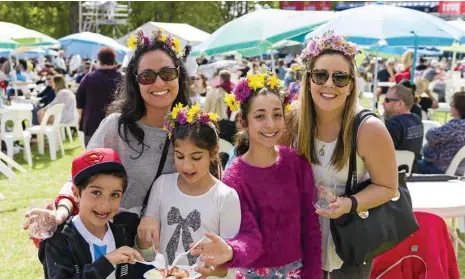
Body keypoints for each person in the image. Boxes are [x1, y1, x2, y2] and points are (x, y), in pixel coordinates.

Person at [23, 28, 192, 244]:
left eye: (167, 73)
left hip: (173, 243)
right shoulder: (117, 128)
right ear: (135, 81)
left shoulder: (191, 129)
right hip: (114, 242)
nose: (159, 83)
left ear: (179, 74)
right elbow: (79, 179)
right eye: (147, 76)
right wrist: (61, 212)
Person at [283, 31, 398, 278]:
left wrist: (347, 204)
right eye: (320, 75)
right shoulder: (292, 120)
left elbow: (388, 187)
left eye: (340, 78)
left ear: (351, 85)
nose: (329, 84)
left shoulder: (369, 129)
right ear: (308, 80)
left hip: (348, 241)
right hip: (296, 241)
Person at [190, 71, 322, 278]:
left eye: (277, 115)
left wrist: (313, 274)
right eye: (260, 116)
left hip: (296, 272)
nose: (270, 124)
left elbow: (311, 227)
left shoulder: (297, 163)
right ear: (243, 122)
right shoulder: (234, 178)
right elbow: (247, 236)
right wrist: (231, 251)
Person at [136, 104, 240, 278]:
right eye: (180, 156)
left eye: (196, 157)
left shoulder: (225, 197)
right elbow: (149, 254)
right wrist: (143, 235)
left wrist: (211, 271)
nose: (187, 166)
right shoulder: (162, 186)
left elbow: (230, 266)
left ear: (213, 152)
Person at [38, 148, 143, 278]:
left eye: (115, 194)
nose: (105, 204)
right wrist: (106, 262)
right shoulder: (60, 240)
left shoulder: (124, 230)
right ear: (76, 194)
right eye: (96, 193)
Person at [76, 47, 123, 145]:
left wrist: (79, 120)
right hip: (118, 124)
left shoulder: (88, 78)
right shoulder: (123, 78)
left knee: (93, 158)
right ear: (113, 60)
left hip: (92, 124)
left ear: (99, 60)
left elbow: (79, 102)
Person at [418, 91, 465, 175]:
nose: (450, 105)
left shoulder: (455, 126)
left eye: (452, 104)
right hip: (460, 168)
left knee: (407, 166)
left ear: (459, 108)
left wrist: (432, 143)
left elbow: (430, 134)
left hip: (442, 168)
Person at [383, 84, 424, 162]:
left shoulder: (395, 123)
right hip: (412, 171)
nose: (383, 103)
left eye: (387, 100)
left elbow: (383, 153)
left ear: (400, 103)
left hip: (394, 172)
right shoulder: (417, 120)